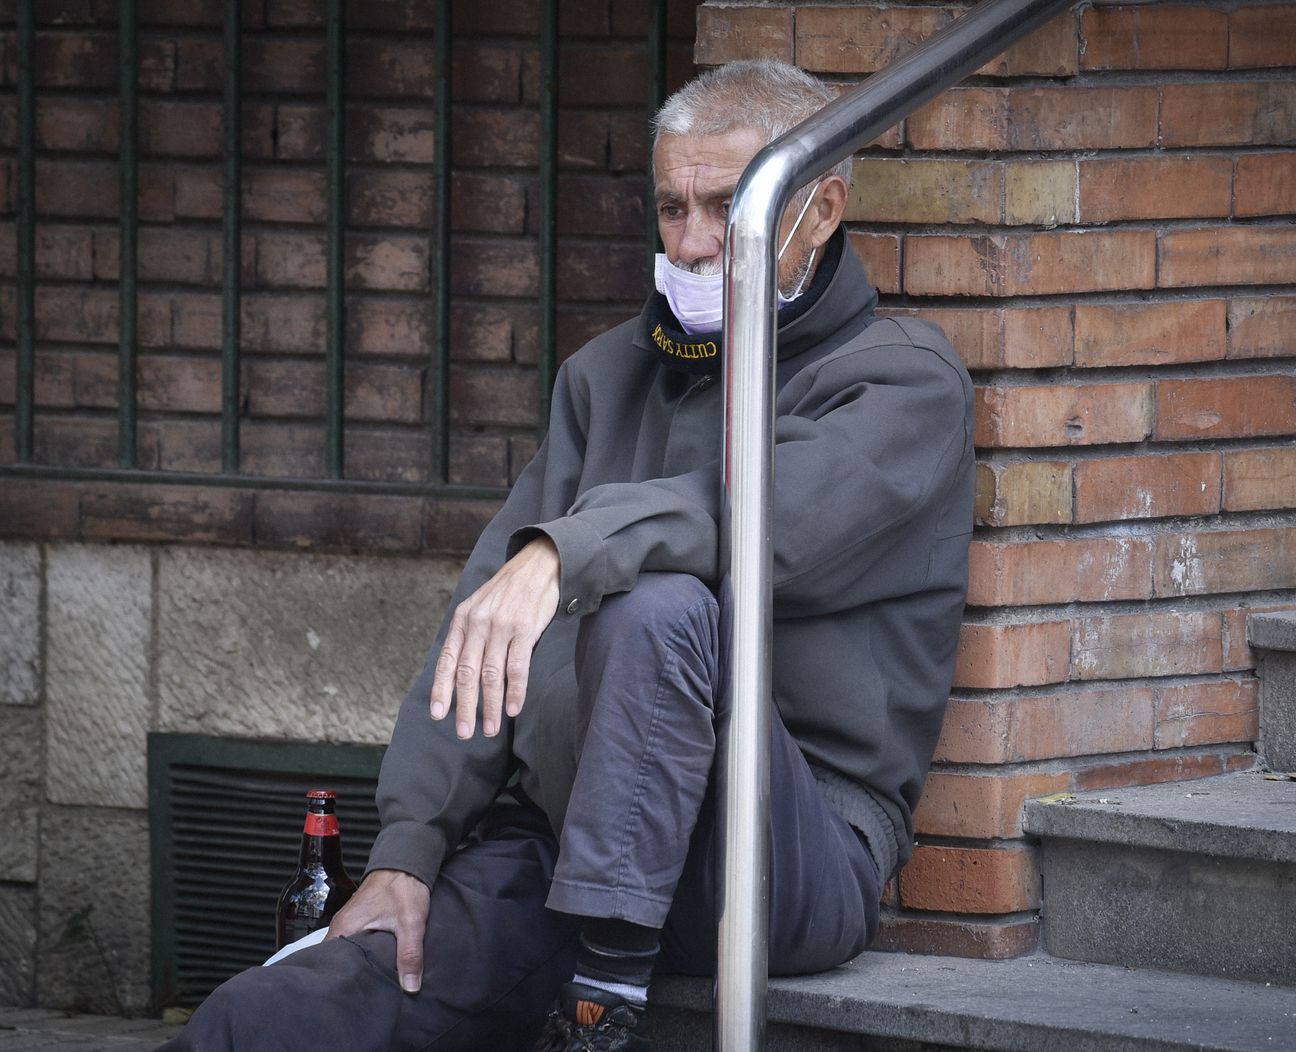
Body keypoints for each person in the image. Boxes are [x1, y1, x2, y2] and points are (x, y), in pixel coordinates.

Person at [160, 59, 974, 1052]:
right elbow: (481, 625)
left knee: (658, 605)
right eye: (671, 208)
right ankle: (573, 956)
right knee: (263, 1016)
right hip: (557, 840)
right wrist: (408, 849)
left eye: (726, 207)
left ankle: (601, 1005)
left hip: (776, 852)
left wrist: (566, 552)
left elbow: (761, 522)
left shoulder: (901, 380)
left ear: (822, 210)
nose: (691, 241)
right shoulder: (606, 376)